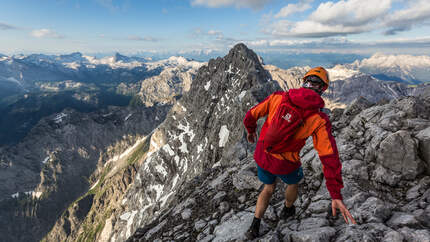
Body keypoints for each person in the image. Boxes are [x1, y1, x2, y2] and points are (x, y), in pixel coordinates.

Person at [243, 67, 356, 239]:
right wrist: (335, 194)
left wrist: (251, 131)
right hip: (286, 163)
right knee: (293, 183)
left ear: (303, 82)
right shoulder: (319, 120)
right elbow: (329, 157)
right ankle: (288, 209)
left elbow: (250, 115)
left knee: (268, 188)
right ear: (323, 89)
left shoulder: (278, 97)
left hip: (263, 154)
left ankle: (254, 226)